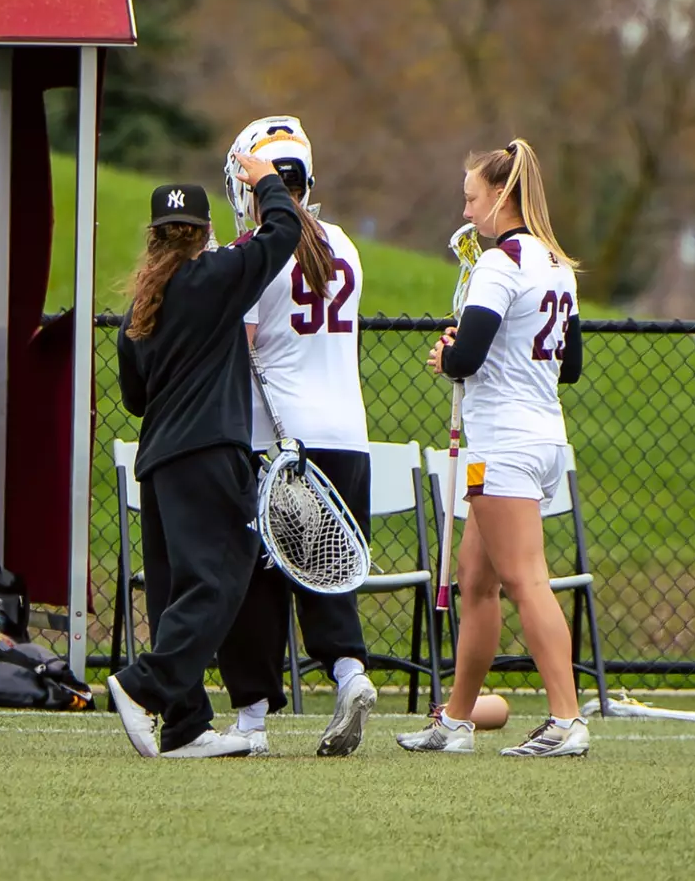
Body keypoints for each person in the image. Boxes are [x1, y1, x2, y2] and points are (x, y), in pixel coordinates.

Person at [106, 154, 303, 759]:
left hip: (159, 463)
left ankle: (186, 725)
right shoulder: (216, 276)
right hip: (209, 451)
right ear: (203, 231)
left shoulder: (139, 309)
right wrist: (267, 178)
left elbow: (136, 400)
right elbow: (285, 231)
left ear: (154, 236)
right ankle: (144, 686)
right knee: (222, 575)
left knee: (174, 590)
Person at [397, 139, 587, 758]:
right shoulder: (556, 264)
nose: (466, 208)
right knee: (476, 583)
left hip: (504, 442)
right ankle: (455, 720)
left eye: (472, 197)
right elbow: (572, 364)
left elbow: (468, 354)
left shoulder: (500, 264)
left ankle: (566, 719)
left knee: (527, 580)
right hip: (539, 436)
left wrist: (446, 356)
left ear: (501, 196)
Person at [210, 116, 378, 758]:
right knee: (325, 574)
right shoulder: (346, 245)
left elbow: (239, 346)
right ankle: (349, 674)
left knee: (254, 581)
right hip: (348, 438)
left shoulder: (257, 250)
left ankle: (251, 721)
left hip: (278, 442)